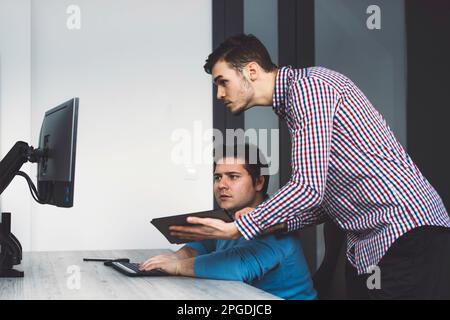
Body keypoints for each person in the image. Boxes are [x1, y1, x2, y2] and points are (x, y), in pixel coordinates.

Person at [167, 34, 450, 299]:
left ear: (251, 71)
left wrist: (243, 226)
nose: (219, 94)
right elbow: (325, 198)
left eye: (222, 81)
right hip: (380, 243)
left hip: (407, 235)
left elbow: (308, 187)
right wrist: (277, 221)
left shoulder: (309, 89)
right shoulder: (295, 103)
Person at [140, 143, 317, 300]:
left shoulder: (274, 223)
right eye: (218, 177)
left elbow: (239, 265)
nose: (221, 185)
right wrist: (175, 256)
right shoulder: (229, 217)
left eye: (233, 176)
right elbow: (204, 246)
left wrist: (177, 267)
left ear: (259, 182)